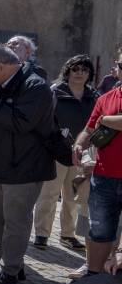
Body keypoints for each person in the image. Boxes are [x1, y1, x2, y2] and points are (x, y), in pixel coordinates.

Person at [0, 44, 55, 284]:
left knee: (16, 220)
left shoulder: (35, 86)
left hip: (24, 166)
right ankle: (6, 263)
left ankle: (10, 270)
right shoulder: (2, 83)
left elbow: (21, 123)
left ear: (1, 66)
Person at [68, 54, 122, 284]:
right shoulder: (105, 98)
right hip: (104, 176)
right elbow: (89, 130)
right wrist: (79, 144)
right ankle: (93, 279)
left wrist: (106, 121)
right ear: (116, 68)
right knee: (99, 230)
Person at [34, 55, 97, 250]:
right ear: (67, 71)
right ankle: (41, 233)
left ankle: (68, 235)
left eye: (84, 70)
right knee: (49, 194)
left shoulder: (93, 96)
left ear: (89, 74)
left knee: (73, 197)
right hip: (55, 151)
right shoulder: (54, 92)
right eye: (75, 69)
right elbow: (44, 120)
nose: (79, 73)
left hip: (82, 153)